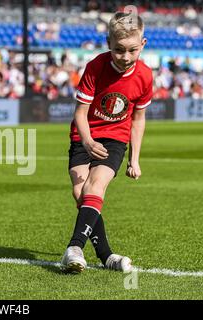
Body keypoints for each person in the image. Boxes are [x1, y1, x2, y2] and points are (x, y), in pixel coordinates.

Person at [61, 11, 153, 274]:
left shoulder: (145, 75)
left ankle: (74, 247)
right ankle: (107, 256)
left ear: (143, 44)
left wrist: (134, 159)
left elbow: (138, 119)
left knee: (95, 185)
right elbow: (80, 113)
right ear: (108, 43)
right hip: (84, 135)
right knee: (80, 193)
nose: (125, 57)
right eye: (118, 50)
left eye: (132, 50)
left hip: (115, 138)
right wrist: (88, 141)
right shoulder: (95, 67)